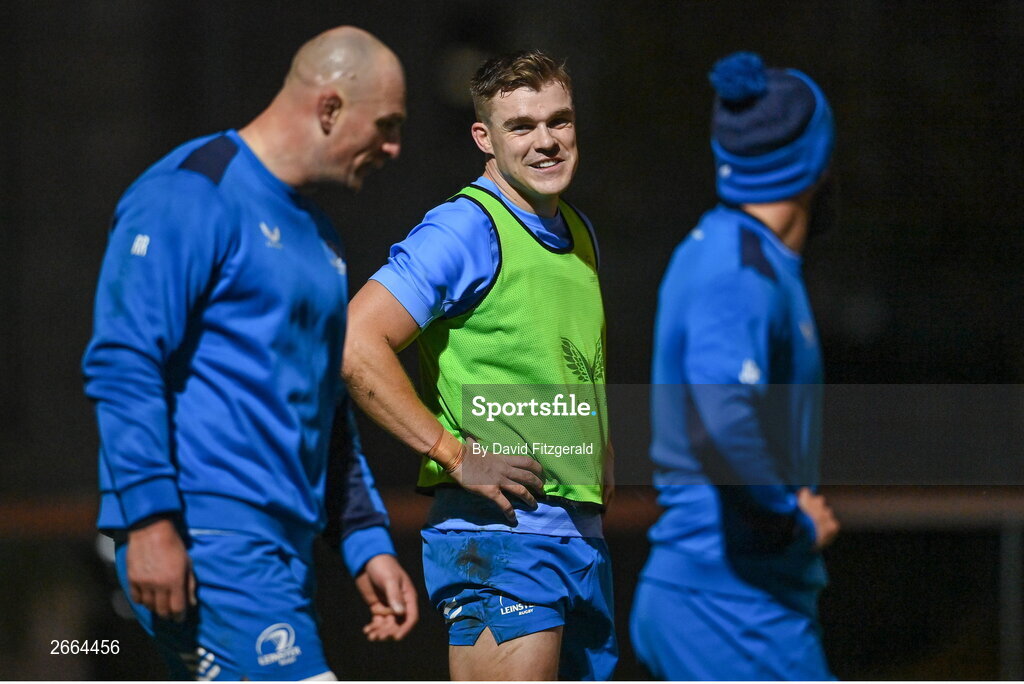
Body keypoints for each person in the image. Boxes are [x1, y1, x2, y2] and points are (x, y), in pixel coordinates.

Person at [82, 26, 417, 681]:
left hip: (281, 550)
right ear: (329, 108)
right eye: (386, 125)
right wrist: (150, 522)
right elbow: (123, 361)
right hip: (209, 538)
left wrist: (363, 539)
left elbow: (325, 406)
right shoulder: (190, 191)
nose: (394, 147)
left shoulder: (320, 237)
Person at [342, 50, 616, 680]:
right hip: (502, 540)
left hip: (578, 539)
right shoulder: (465, 228)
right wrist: (455, 453)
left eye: (560, 121)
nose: (546, 141)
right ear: (484, 138)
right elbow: (356, 341)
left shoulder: (579, 230)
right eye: (521, 126)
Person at [629, 52, 841, 680]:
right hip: (727, 610)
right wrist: (789, 521)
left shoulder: (752, 258)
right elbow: (720, 421)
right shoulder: (737, 270)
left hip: (736, 604)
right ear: (815, 160)